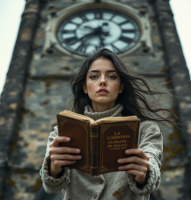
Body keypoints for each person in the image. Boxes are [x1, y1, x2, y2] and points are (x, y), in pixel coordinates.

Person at [39, 48, 176, 200]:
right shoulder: (61, 132)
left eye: (111, 76)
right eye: (94, 76)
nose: (102, 81)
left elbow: (152, 167)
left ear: (121, 87)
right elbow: (51, 186)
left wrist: (144, 173)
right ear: (85, 87)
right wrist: (54, 167)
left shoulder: (146, 130)